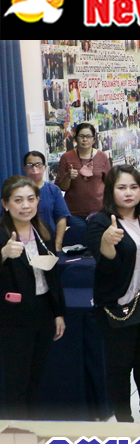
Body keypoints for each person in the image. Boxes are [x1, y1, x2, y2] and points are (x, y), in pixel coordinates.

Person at [87, 165, 140, 423]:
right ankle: (124, 420)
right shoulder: (100, 221)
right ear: (111, 191)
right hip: (117, 303)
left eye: (134, 187)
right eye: (121, 188)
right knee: (120, 365)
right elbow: (106, 267)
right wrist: (107, 243)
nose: (128, 193)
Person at [1, 176, 66, 420]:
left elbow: (53, 278)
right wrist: (3, 254)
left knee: (35, 377)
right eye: (18, 200)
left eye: (30, 199)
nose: (25, 206)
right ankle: (16, 433)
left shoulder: (42, 231)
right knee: (15, 382)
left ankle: (30, 428)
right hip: (12, 319)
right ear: (6, 204)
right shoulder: (2, 235)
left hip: (42, 312)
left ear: (38, 201)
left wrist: (58, 313)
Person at [55, 122, 112, 241]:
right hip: (74, 213)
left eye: (88, 136)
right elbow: (61, 187)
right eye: (81, 136)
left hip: (99, 211)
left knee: (98, 243)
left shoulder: (102, 157)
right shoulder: (66, 157)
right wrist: (68, 176)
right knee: (79, 243)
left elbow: (110, 183)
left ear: (93, 139)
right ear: (76, 138)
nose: (85, 140)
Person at [22, 151, 69, 251]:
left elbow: (61, 218)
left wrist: (58, 244)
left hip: (48, 239)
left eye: (38, 165)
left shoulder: (53, 190)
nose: (34, 169)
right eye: (30, 165)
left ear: (45, 167)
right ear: (24, 168)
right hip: (23, 241)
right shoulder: (18, 191)